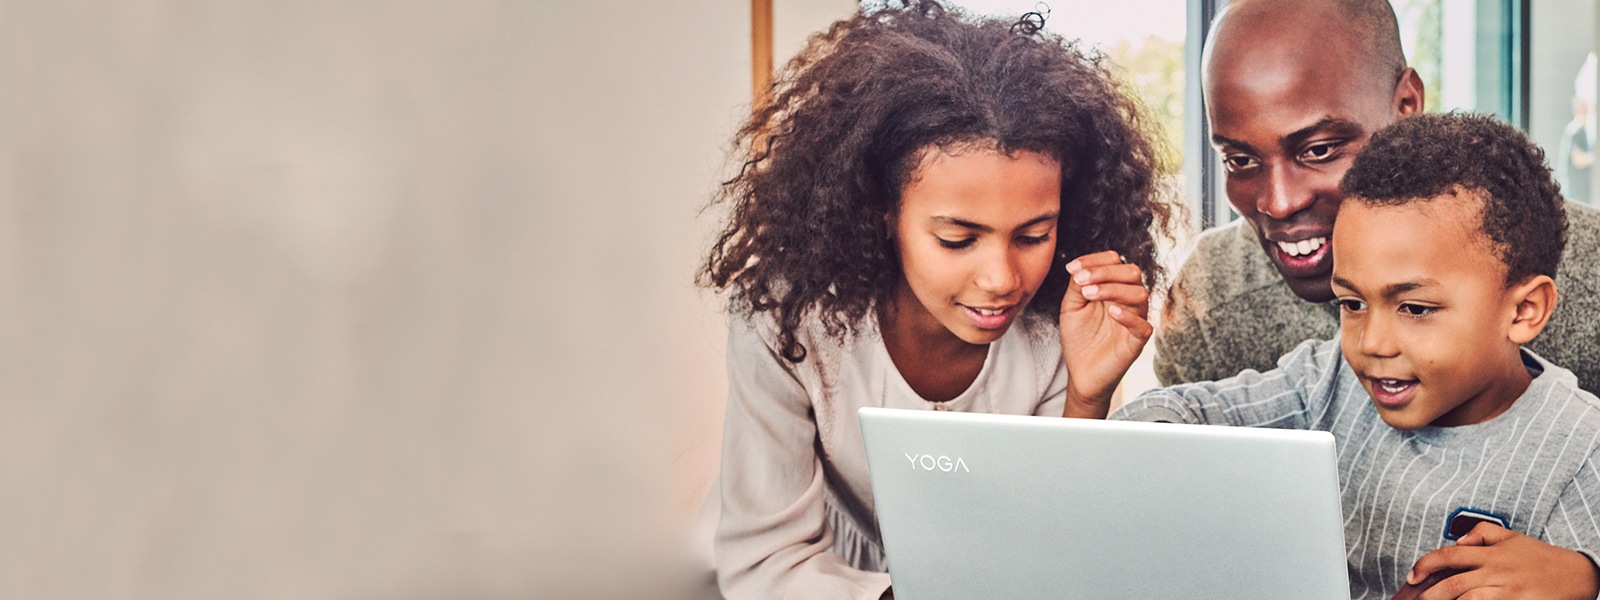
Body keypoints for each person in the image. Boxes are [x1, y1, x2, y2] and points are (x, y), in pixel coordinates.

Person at [697, 2, 1173, 598]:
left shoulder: (1062, 323)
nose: (1002, 279)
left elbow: (1048, 550)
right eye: (957, 238)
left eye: (1034, 235)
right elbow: (765, 563)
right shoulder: (786, 321)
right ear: (883, 213)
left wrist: (1088, 395)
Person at [1108, 113, 1600, 599]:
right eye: (1353, 304)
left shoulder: (1582, 450)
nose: (1372, 344)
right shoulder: (1326, 381)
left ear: (1525, 310)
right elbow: (1173, 412)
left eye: (1415, 307)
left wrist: (1587, 578)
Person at [1152, 0, 1600, 393]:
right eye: (1240, 161)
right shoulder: (1211, 302)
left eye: (1319, 150)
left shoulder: (1589, 279)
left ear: (1406, 105)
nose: (1280, 203)